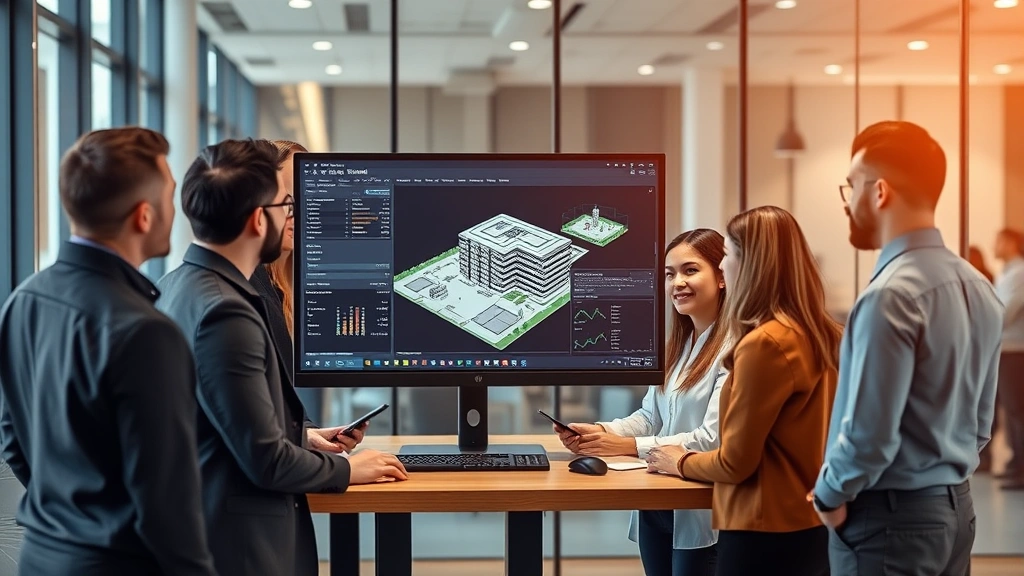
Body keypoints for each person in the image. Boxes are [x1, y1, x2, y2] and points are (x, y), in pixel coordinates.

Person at [155, 138, 408, 576]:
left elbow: (220, 420)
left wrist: (301, 436)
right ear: (258, 219)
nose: (299, 213)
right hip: (241, 548)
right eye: (286, 203)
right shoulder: (226, 311)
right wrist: (347, 469)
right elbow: (263, 460)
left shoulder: (177, 285)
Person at [0, 128, 216, 575]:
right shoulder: (145, 332)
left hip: (42, 558)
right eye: (170, 196)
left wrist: (71, 513)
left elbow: (13, 438)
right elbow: (166, 503)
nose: (174, 211)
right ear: (143, 216)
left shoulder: (24, 299)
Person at [812, 121, 1002, 576]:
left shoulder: (888, 296)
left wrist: (828, 495)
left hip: (889, 520)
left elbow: (868, 437)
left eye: (851, 186)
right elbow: (980, 424)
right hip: (956, 511)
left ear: (879, 192)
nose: (847, 202)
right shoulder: (978, 287)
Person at [652, 205, 842, 576]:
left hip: (763, 528)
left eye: (729, 255)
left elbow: (734, 462)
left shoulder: (764, 344)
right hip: (811, 522)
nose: (723, 266)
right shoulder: (822, 335)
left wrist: (678, 460)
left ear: (754, 264)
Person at [557, 229, 728, 576]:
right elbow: (651, 416)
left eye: (690, 270)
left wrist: (625, 445)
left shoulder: (734, 350)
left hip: (699, 509)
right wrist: (600, 432)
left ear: (722, 277)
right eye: (669, 274)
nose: (677, 282)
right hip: (655, 501)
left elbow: (712, 439)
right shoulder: (679, 345)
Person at [249, 139, 326, 427]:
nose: (297, 212)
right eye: (287, 200)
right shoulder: (251, 291)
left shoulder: (309, 278)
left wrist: (308, 435)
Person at [993, 228, 1024, 488]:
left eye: (999, 240)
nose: (995, 245)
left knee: (1017, 411)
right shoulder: (1008, 274)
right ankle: (1016, 464)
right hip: (1007, 349)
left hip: (1016, 350)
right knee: (1012, 411)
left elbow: (1003, 313)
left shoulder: (1019, 273)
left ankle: (1021, 469)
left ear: (1012, 243)